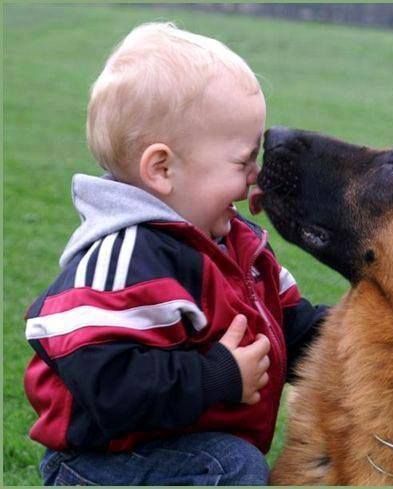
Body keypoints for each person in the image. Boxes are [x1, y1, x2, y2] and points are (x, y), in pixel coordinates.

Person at [24, 22, 327, 485]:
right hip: (98, 464)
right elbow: (107, 385)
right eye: (242, 161)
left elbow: (291, 326)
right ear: (162, 169)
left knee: (228, 460)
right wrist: (217, 376)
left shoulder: (237, 246)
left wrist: (360, 332)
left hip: (173, 448)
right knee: (231, 468)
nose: (256, 177)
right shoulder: (125, 258)